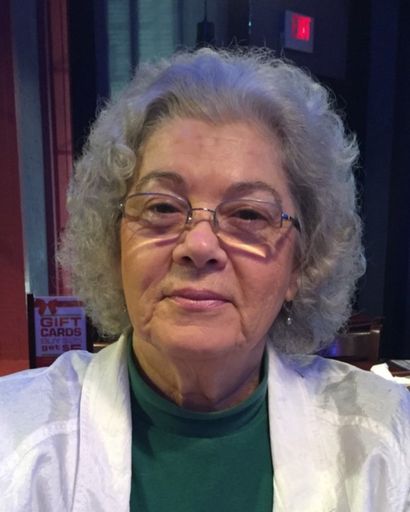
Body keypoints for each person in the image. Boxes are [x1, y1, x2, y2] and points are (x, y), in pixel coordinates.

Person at [1, 48, 409, 512]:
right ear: (114, 246)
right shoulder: (13, 437)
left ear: (301, 263)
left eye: (249, 214)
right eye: (161, 207)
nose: (198, 245)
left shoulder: (386, 440)